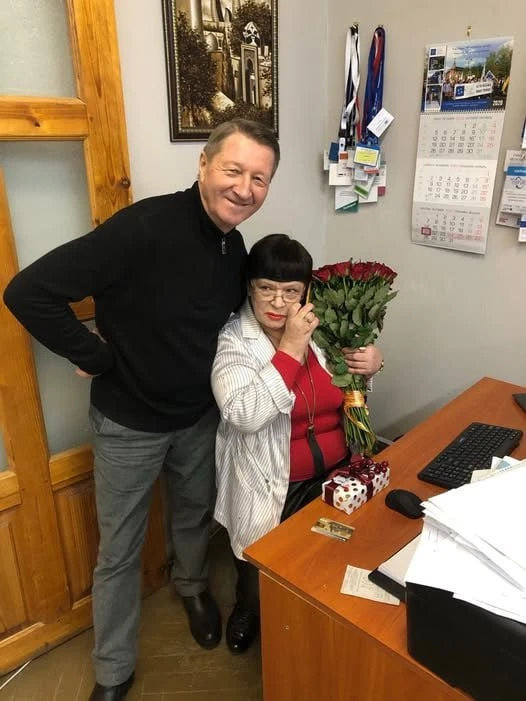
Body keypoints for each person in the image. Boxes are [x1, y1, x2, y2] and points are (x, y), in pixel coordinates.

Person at [3, 118, 280, 701]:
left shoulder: (234, 246)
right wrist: (96, 356)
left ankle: (192, 588)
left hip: (198, 417)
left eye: (259, 178)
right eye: (233, 170)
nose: (244, 188)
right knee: (119, 552)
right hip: (127, 424)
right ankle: (113, 669)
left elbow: (237, 323)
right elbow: (28, 292)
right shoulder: (142, 227)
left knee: (192, 518)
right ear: (203, 164)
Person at [211, 234, 383, 654]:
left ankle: (313, 617)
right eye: (266, 288)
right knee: (260, 564)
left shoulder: (321, 330)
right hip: (270, 482)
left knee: (326, 555)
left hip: (335, 473)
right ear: (249, 287)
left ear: (305, 292)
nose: (278, 302)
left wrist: (372, 365)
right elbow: (243, 414)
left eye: (291, 291)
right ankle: (247, 607)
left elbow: (349, 389)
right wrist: (289, 348)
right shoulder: (234, 340)